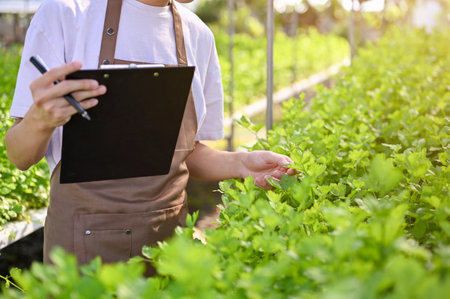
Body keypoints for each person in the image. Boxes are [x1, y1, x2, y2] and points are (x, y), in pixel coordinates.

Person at [5, 0, 295, 266]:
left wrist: (241, 164)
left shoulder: (197, 34)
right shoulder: (68, 14)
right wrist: (40, 120)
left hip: (169, 247)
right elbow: (20, 156)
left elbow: (184, 151)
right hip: (85, 254)